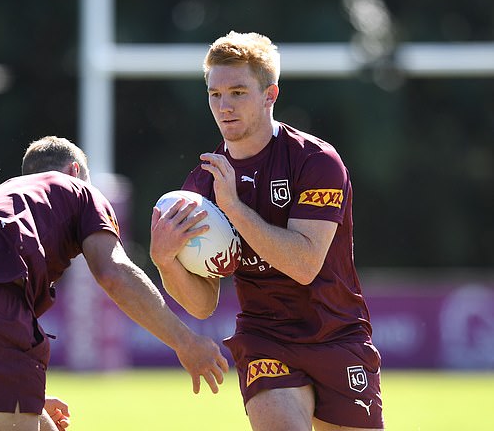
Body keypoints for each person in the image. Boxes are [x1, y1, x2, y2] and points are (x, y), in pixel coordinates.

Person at [0, 136, 229, 431]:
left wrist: (24, 396)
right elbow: (112, 272)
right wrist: (185, 342)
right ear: (75, 171)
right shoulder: (79, 190)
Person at [150, 32, 384, 430]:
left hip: (336, 333)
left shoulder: (317, 161)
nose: (224, 106)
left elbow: (305, 264)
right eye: (214, 94)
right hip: (265, 339)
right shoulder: (202, 187)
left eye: (238, 92)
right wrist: (164, 260)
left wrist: (235, 209)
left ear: (269, 94)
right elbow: (203, 304)